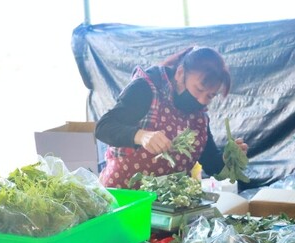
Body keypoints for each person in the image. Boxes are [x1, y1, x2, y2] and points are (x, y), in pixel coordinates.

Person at [95, 46, 248, 188]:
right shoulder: (146, 89)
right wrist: (141, 136)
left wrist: (227, 158)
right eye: (199, 89)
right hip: (124, 194)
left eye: (210, 96)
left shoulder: (199, 118)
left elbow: (210, 163)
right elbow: (103, 127)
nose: (202, 100)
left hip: (167, 200)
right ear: (180, 74)